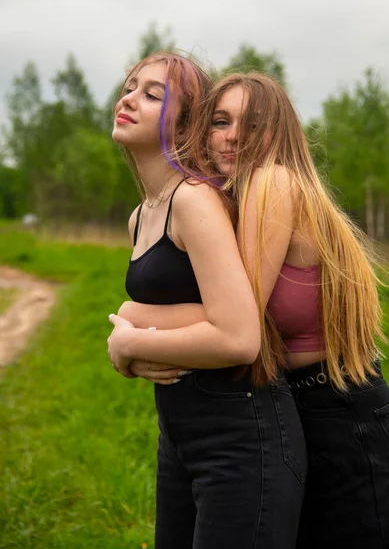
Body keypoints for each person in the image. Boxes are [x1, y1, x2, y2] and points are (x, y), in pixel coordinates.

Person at [119, 71, 389, 548]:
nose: (233, 136)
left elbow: (243, 322)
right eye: (220, 121)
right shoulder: (234, 200)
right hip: (305, 417)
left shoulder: (274, 182)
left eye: (252, 124)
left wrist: (133, 324)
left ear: (280, 132)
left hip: (352, 431)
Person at [108, 53, 307, 549]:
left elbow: (239, 337)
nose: (129, 97)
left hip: (241, 433)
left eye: (154, 94)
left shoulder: (195, 199)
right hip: (179, 431)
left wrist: (129, 332)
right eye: (131, 86)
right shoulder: (140, 217)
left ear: (184, 126)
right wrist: (132, 354)